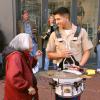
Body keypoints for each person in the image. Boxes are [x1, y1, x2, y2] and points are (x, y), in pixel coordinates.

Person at [46, 7, 93, 100]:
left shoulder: (81, 32)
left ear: (66, 18)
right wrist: (60, 55)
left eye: (58, 19)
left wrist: (80, 65)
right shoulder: (54, 34)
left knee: (75, 97)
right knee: (60, 97)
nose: (56, 22)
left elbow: (87, 51)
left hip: (76, 73)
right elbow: (49, 54)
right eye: (55, 19)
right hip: (59, 72)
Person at [2, 33, 42, 100]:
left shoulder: (23, 54)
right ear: (24, 43)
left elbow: (28, 66)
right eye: (30, 42)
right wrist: (28, 87)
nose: (33, 45)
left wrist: (36, 58)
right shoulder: (16, 57)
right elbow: (14, 77)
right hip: (18, 95)